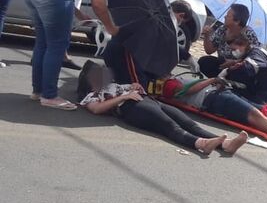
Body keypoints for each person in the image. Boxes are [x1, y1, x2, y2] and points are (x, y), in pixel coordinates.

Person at [22, 0, 119, 110]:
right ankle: (49, 96)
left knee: (43, 42)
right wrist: (111, 27)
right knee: (57, 44)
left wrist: (78, 13)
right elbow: (98, 3)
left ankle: (38, 91)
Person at [78, 63, 247, 155]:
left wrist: (133, 86)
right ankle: (201, 144)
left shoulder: (113, 85)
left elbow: (132, 86)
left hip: (147, 100)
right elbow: (96, 109)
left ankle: (226, 144)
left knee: (188, 122)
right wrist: (124, 97)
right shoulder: (92, 94)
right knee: (169, 126)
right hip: (131, 108)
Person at [163, 76, 267, 148]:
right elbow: (183, 92)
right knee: (256, 116)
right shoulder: (167, 84)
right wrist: (212, 80)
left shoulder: (171, 77)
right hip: (213, 99)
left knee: (265, 112)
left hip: (220, 93)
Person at [198, 3, 260, 77]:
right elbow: (209, 50)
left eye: (228, 16)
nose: (225, 17)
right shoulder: (223, 29)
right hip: (222, 64)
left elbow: (254, 58)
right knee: (204, 62)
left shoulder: (249, 35)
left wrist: (234, 62)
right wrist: (207, 35)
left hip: (238, 67)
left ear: (237, 21)